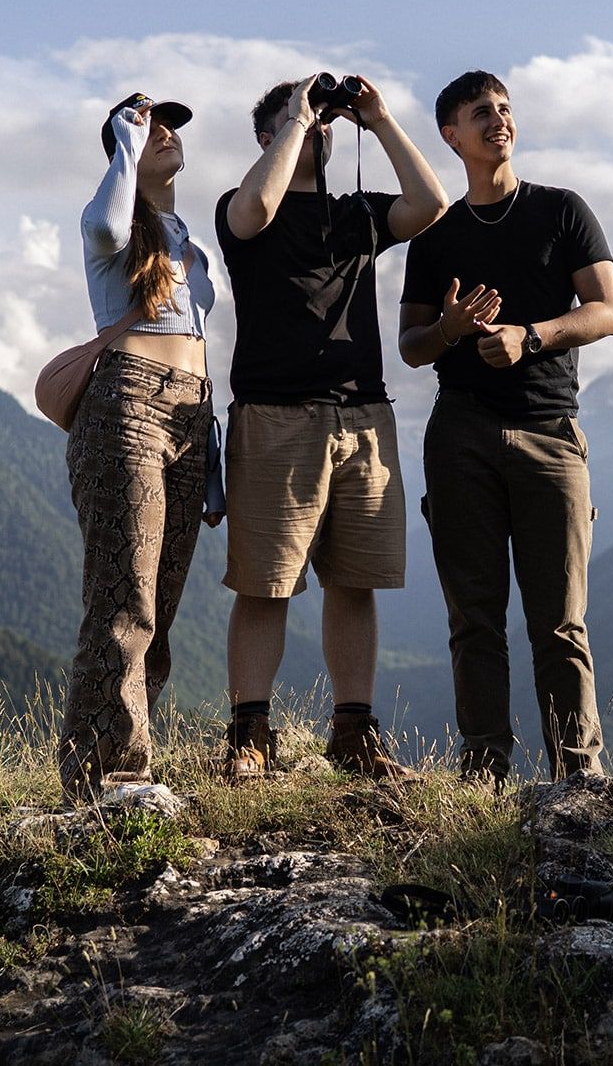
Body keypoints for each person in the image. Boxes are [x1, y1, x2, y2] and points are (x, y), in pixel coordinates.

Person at [215, 73, 449, 781]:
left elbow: (430, 203)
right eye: (303, 118)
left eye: (323, 119)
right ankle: (249, 734)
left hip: (363, 417)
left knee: (355, 581)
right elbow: (255, 210)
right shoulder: (242, 206)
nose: (319, 125)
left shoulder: (358, 214)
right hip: (275, 416)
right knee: (266, 584)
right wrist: (300, 116)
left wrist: (378, 119)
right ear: (269, 137)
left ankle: (353, 732)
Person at [397, 70, 613, 787]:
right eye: (480, 113)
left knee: (560, 621)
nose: (499, 121)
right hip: (460, 434)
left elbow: (607, 311)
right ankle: (484, 773)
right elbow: (410, 345)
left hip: (550, 432)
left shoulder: (562, 210)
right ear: (451, 136)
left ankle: (578, 779)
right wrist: (450, 328)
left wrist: (533, 335)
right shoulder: (436, 238)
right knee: (475, 619)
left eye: (504, 109)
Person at [58, 94, 219, 801]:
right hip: (128, 403)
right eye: (149, 125)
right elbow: (104, 223)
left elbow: (198, 337)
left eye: (170, 125)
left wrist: (211, 456)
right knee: (124, 600)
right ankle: (109, 776)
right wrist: (124, 143)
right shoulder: (112, 225)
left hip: (191, 415)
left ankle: (126, 759)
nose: (165, 133)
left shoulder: (187, 239)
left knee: (161, 606)